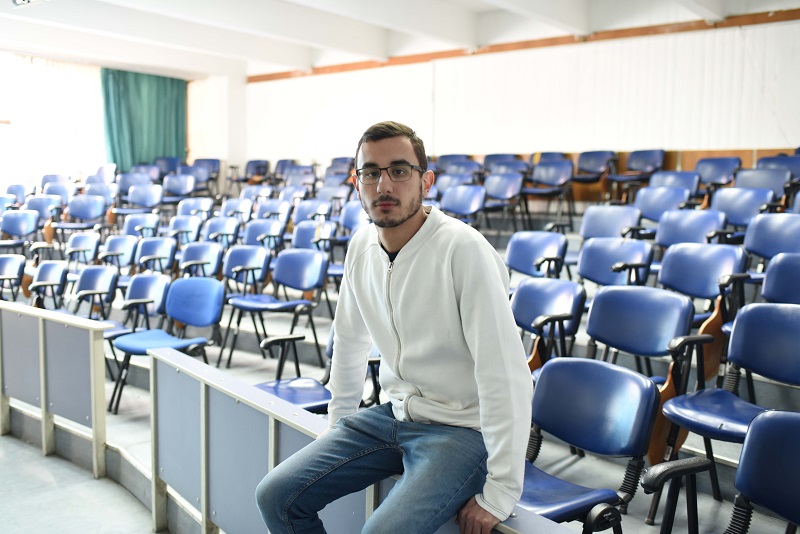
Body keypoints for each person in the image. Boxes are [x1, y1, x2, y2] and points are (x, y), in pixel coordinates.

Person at [256, 121, 533, 534]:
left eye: (399, 170)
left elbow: (504, 373)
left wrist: (501, 490)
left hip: (462, 431)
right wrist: (338, 425)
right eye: (371, 173)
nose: (384, 185)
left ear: (426, 181)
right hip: (394, 414)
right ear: (357, 184)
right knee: (276, 495)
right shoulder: (360, 246)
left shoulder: (464, 250)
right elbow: (349, 341)